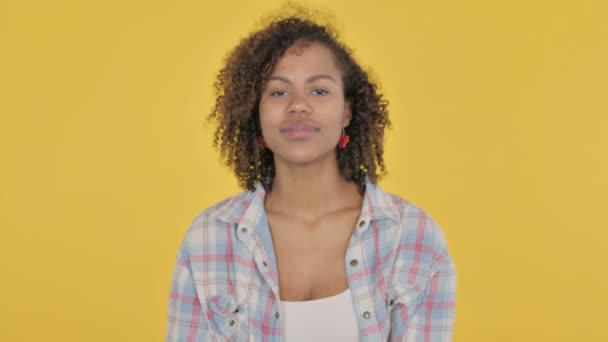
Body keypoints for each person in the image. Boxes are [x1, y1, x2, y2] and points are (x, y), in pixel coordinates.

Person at [165, 9, 456, 342]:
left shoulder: (413, 237)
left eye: (319, 91)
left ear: (347, 110)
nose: (298, 105)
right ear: (254, 112)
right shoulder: (209, 238)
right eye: (278, 92)